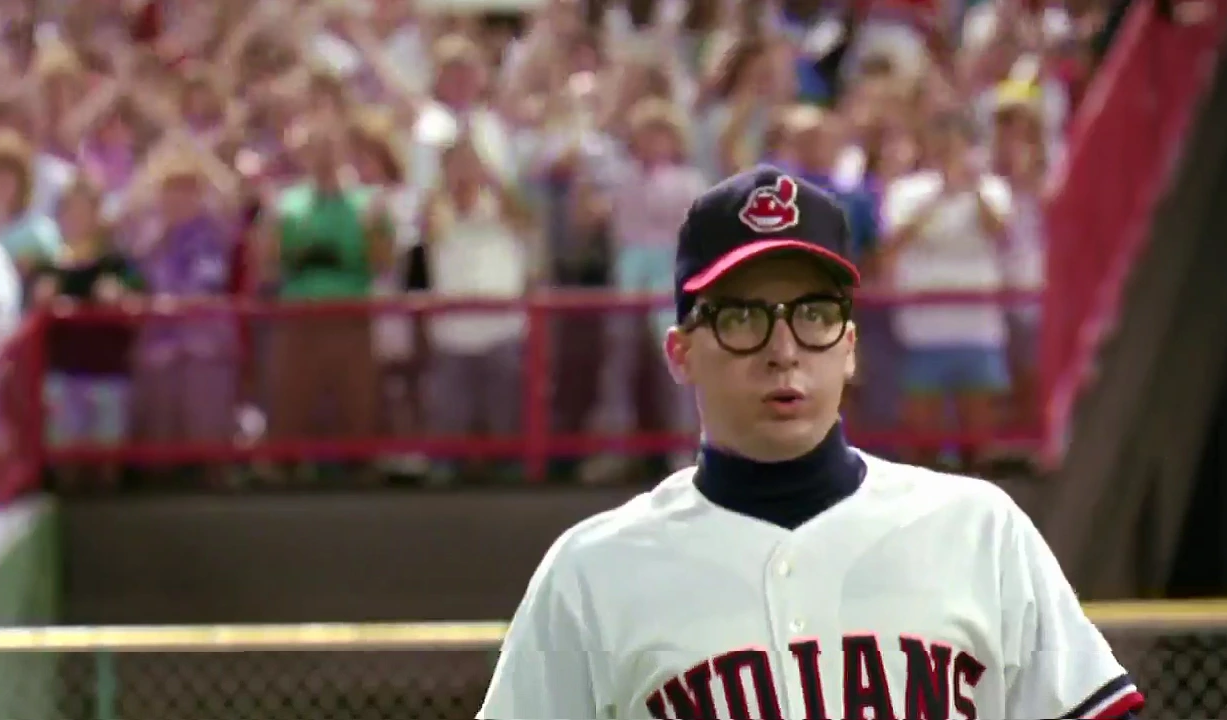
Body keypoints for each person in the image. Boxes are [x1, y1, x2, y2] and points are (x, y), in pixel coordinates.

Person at [478, 165, 1144, 720]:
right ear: (680, 352)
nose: (784, 350)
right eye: (743, 317)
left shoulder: (979, 531)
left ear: (849, 346)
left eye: (814, 314)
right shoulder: (592, 573)